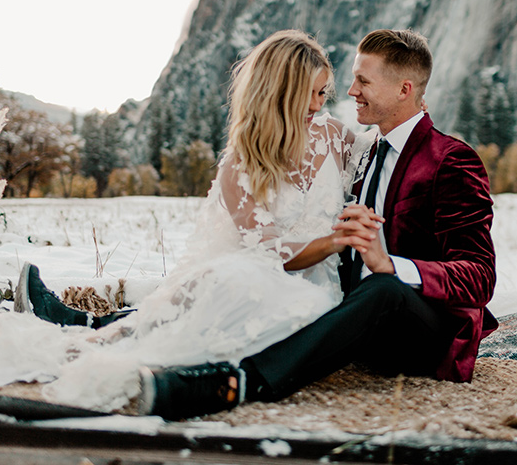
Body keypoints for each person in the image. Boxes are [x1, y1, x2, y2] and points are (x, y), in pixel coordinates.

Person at [137, 29, 497, 420]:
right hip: (351, 318)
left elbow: (480, 277)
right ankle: (116, 325)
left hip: (425, 332)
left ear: (404, 89)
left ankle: (238, 383)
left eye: (363, 80)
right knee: (250, 293)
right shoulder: (361, 149)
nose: (351, 90)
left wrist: (390, 265)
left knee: (384, 289)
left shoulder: (450, 160)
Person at [5, 29, 369, 411]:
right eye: (310, 94)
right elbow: (266, 248)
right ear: (280, 93)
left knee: (253, 299)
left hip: (315, 291)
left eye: (323, 93)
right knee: (228, 285)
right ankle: (89, 333)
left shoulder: (333, 136)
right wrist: (332, 241)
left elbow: (384, 148)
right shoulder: (242, 162)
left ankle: (89, 325)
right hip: (262, 273)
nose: (318, 104)